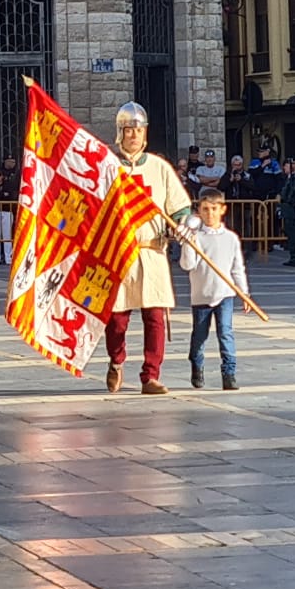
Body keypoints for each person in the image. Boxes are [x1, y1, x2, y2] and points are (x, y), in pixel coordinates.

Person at [104, 102, 192, 396]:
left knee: (155, 316)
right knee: (116, 319)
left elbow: (179, 207)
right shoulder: (107, 166)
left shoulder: (159, 168)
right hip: (119, 253)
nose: (133, 135)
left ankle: (150, 375)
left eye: (138, 130)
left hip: (151, 251)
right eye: (128, 130)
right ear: (121, 132)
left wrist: (179, 225)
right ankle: (116, 360)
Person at [180, 188, 247, 391]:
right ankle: (197, 366)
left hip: (225, 294)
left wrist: (244, 292)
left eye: (214, 209)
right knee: (199, 336)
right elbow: (187, 265)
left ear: (222, 209)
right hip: (201, 294)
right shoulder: (197, 237)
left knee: (225, 333)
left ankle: (229, 373)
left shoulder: (231, 238)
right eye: (205, 209)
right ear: (199, 212)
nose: (210, 214)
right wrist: (187, 244)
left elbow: (237, 267)